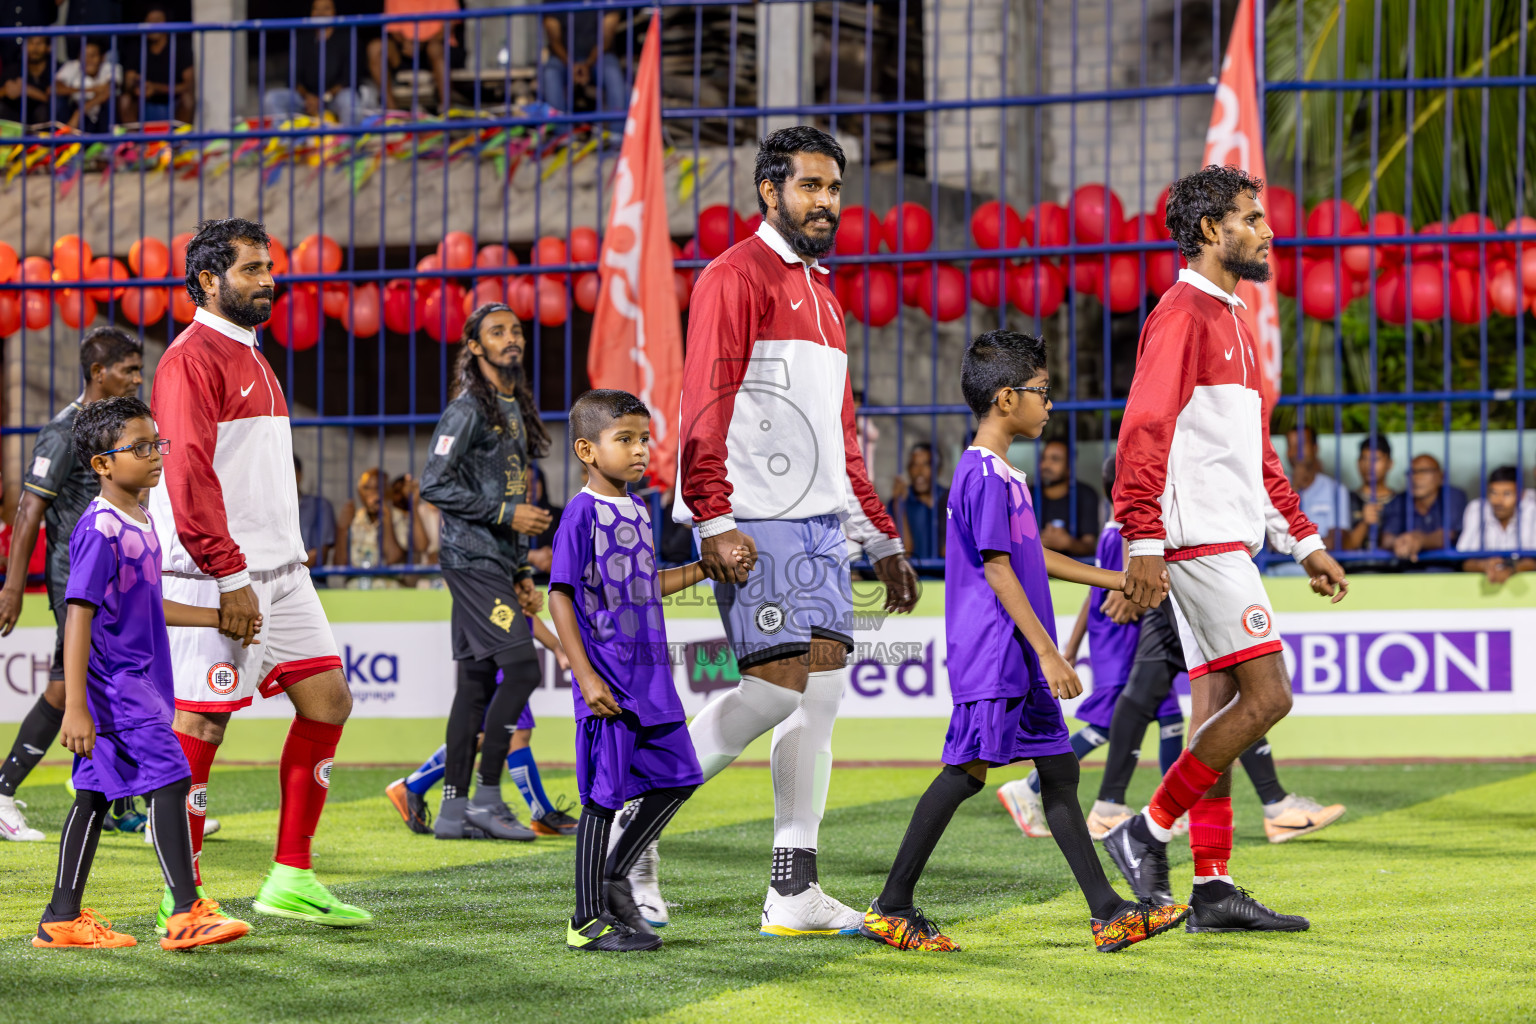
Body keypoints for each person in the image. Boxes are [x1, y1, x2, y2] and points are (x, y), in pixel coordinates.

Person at [654, 125, 919, 937]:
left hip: (818, 526)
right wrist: (714, 517)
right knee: (775, 691)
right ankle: (633, 832)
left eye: (833, 188)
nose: (825, 202)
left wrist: (881, 539)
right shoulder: (735, 276)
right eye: (809, 186)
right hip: (754, 518)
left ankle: (792, 890)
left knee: (823, 695)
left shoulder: (825, 295)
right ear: (770, 192)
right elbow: (706, 401)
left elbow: (841, 435)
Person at [860, 331, 1188, 954]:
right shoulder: (982, 472)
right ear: (1007, 398)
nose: (1050, 405)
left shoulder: (1005, 473)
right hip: (998, 651)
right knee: (965, 772)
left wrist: (1119, 577)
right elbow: (999, 569)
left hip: (1018, 651)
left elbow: (1033, 556)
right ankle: (892, 904)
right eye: (1042, 393)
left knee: (1060, 774)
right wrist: (1048, 651)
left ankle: (1109, 912)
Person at [1105, 165, 1348, 933]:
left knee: (1218, 709)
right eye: (1252, 218)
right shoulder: (1181, 314)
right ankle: (1143, 830)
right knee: (1269, 698)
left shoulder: (1235, 318)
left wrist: (1303, 540)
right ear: (1213, 231)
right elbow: (1143, 430)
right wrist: (1143, 537)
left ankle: (1211, 889)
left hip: (1226, 537)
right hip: (1196, 540)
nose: (1268, 232)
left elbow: (1257, 456)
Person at [150, 217, 371, 929]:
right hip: (219, 577)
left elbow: (247, 476)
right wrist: (228, 573)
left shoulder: (250, 351)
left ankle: (290, 877)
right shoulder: (190, 359)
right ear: (209, 281)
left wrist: (279, 549)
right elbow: (186, 477)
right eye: (251, 269)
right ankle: (178, 899)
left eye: (268, 266)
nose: (268, 279)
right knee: (202, 728)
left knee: (329, 702)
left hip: (281, 571)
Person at [34, 395, 249, 951]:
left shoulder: (142, 518)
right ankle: (185, 911)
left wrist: (214, 617)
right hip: (118, 690)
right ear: (103, 464)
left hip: (138, 685)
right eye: (140, 447)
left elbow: (147, 602)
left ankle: (61, 918)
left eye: (158, 444)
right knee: (172, 778)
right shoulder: (100, 528)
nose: (156, 455)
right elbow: (78, 615)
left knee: (95, 796)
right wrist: (77, 705)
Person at [550, 389, 745, 952]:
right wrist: (584, 677)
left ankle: (615, 878)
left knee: (680, 778)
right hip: (609, 681)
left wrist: (704, 569)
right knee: (603, 798)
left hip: (650, 679)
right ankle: (585, 920)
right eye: (625, 440)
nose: (640, 451)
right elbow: (559, 596)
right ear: (587, 449)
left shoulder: (638, 509)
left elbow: (645, 588)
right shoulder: (581, 514)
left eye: (644, 439)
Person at [0, 326, 142, 841]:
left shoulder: (118, 427)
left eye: (138, 368)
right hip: (77, 580)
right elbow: (29, 508)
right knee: (66, 690)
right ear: (98, 373)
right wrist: (13, 588)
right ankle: (2, 791)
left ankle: (123, 804)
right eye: (128, 369)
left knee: (116, 682)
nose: (137, 377)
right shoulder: (65, 431)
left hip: (117, 579)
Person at [995, 454, 1183, 840]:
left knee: (1168, 716)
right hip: (1120, 641)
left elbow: (1093, 594)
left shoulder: (1113, 531)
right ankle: (1029, 788)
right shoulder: (1126, 536)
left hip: (1125, 641)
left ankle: (1173, 809)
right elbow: (1116, 595)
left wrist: (1073, 644)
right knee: (1111, 722)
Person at [419, 303, 552, 841]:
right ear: (475, 347)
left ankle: (453, 810)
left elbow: (511, 488)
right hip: (470, 559)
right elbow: (433, 483)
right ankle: (489, 798)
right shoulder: (467, 409)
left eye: (516, 330)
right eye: (497, 332)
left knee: (474, 686)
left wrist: (521, 567)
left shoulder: (512, 405)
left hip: (496, 560)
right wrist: (506, 517)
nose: (511, 338)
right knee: (522, 670)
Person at [1077, 597, 1346, 845]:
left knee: (1143, 691)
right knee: (1237, 691)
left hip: (1171, 579)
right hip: (1191, 576)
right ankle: (1273, 805)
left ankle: (1109, 807)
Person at [384, 614, 579, 837]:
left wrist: (556, 647)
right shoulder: (497, 589)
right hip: (501, 655)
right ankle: (542, 814)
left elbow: (522, 614)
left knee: (488, 736)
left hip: (503, 651)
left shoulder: (501, 591)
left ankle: (411, 786)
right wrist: (556, 647)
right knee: (513, 733)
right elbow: (517, 610)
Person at [262, 0, 366, 125]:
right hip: (306, 100)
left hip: (334, 98)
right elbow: (293, 78)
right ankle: (285, 142)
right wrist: (309, 97)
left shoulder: (347, 38)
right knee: (272, 99)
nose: (320, 13)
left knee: (350, 100)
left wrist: (322, 99)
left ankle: (346, 143)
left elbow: (349, 79)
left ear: (334, 13)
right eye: (316, 9)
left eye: (326, 8)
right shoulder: (301, 39)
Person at [539, 0, 627, 113]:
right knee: (550, 73)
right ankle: (561, 129)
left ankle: (617, 130)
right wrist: (571, 65)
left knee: (613, 72)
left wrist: (587, 64)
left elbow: (606, 37)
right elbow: (554, 40)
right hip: (563, 59)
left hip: (600, 58)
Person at [371, 0, 457, 115]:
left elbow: (450, 23)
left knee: (435, 49)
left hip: (436, 46)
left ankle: (448, 113)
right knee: (376, 49)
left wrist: (422, 44)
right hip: (405, 49)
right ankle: (394, 115)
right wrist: (406, 42)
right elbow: (392, 26)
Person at [335, 467, 415, 588]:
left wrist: (387, 518)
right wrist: (342, 529)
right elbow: (339, 565)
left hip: (390, 596)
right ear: (359, 491)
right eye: (366, 488)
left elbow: (393, 559)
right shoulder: (354, 519)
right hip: (356, 597)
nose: (372, 493)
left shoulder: (400, 518)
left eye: (378, 488)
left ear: (388, 491)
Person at [1381, 454, 1468, 563]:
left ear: (1441, 476)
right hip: (1409, 571)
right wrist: (1402, 543)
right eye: (1412, 472)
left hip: (1447, 570)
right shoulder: (1400, 501)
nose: (1416, 477)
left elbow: (1447, 535)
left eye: (1424, 471)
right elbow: (1386, 540)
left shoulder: (1453, 496)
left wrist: (1419, 539)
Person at [1457, 466, 1536, 584]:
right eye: (1493, 493)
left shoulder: (1532, 510)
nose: (1498, 501)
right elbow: (1464, 561)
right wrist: (1484, 566)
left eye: (1507, 494)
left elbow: (1533, 560)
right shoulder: (1477, 509)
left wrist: (1511, 569)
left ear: (1521, 495)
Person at [119, 6, 195, 124]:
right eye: (149, 22)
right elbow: (129, 81)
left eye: (157, 21)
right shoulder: (137, 47)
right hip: (144, 103)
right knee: (125, 99)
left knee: (188, 99)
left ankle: (181, 141)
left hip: (173, 102)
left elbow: (188, 85)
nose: (152, 25)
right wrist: (137, 84)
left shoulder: (180, 47)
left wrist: (156, 88)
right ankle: (134, 141)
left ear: (167, 24)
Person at [1284, 425, 1352, 552]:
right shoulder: (1278, 487)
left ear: (1315, 448)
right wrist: (1295, 488)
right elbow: (1273, 543)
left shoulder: (1335, 490)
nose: (1294, 452)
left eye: (1300, 445)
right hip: (1277, 570)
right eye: (1290, 446)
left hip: (1320, 569)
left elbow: (1335, 542)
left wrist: (1290, 543)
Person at [1036, 438, 1100, 557]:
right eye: (1043, 458)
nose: (1046, 465)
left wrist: (1068, 543)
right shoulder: (1027, 494)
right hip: (1034, 569)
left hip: (1074, 572)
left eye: (1055, 459)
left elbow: (1089, 546)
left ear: (1069, 467)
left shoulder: (1085, 495)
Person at [888, 442, 947, 563]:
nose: (919, 472)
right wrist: (899, 506)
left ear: (938, 470)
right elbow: (904, 553)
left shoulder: (949, 498)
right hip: (914, 576)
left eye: (926, 464)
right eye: (914, 465)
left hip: (945, 577)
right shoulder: (900, 500)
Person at [54, 38, 119, 133]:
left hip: (103, 119)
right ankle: (63, 141)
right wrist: (91, 90)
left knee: (111, 102)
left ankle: (111, 144)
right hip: (80, 120)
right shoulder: (72, 66)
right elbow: (53, 89)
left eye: (93, 55)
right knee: (58, 100)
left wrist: (79, 112)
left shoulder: (111, 68)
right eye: (84, 55)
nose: (88, 60)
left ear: (102, 57)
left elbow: (108, 91)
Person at [1344, 435, 1396, 551]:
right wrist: (1364, 523)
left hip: (1392, 568)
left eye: (1376, 459)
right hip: (1355, 568)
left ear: (1390, 463)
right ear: (1358, 462)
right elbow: (1344, 547)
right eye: (1364, 459)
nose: (1369, 465)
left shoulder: (1400, 500)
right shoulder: (1347, 499)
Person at [294, 455, 336, 570]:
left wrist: (285, 572)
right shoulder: (269, 512)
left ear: (299, 475)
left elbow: (321, 554)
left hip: (314, 582)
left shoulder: (320, 506)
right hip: (277, 585)